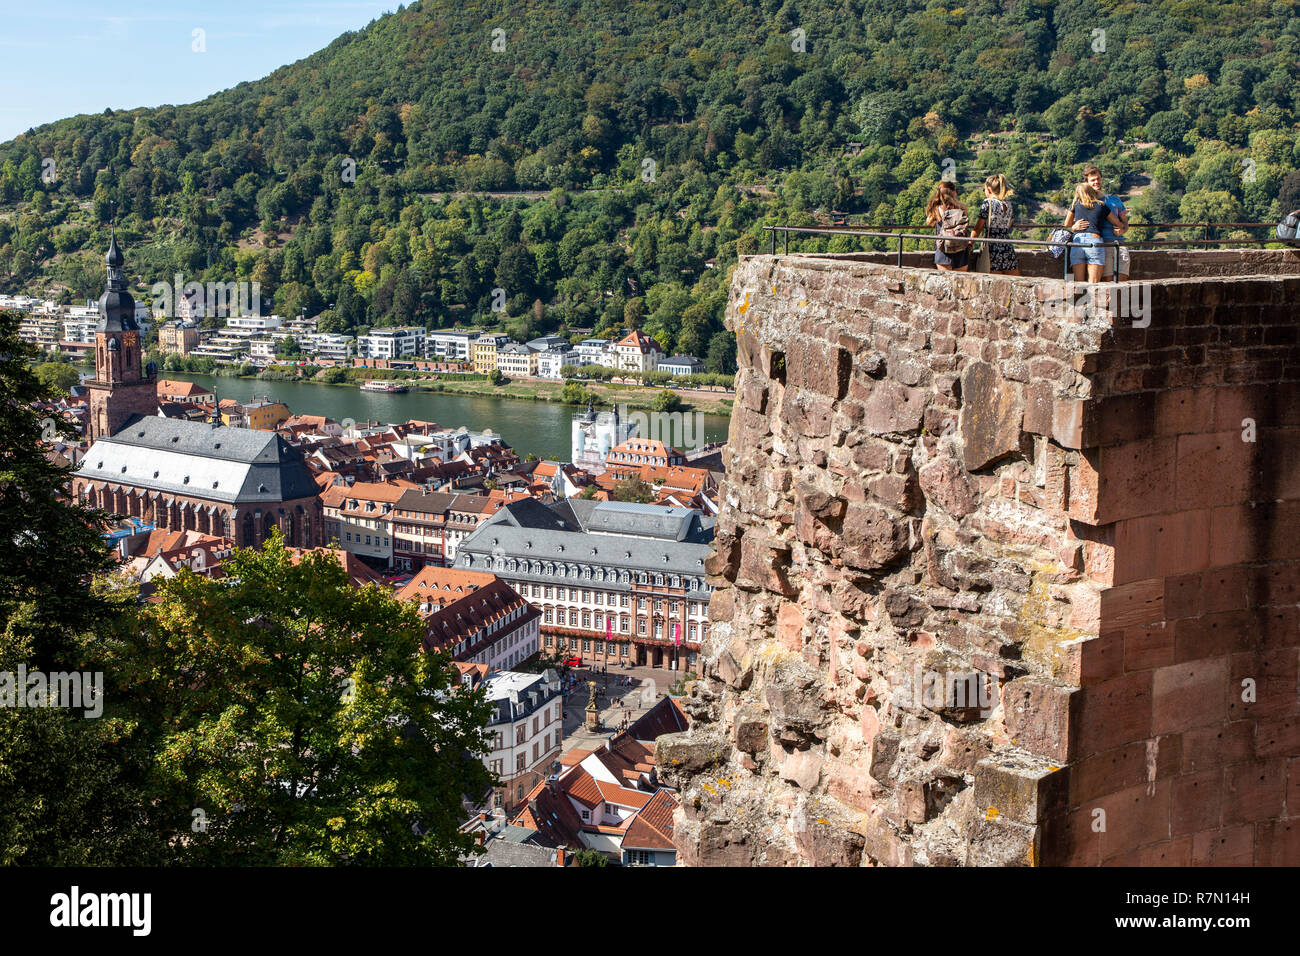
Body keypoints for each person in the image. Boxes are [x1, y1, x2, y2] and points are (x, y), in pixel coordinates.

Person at [1063, 182, 1124, 282]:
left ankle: (1080, 297)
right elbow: (1117, 223)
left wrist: (1074, 226)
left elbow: (1067, 224)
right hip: (1094, 241)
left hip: (1077, 242)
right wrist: (1122, 227)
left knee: (1079, 283)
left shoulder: (1075, 205)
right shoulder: (1101, 205)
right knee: (1094, 284)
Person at [1085, 165, 1130, 280]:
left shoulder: (1115, 199)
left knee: (1122, 279)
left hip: (1119, 242)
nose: (1096, 182)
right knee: (1108, 281)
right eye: (1093, 180)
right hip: (1101, 243)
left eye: (1098, 178)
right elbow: (1073, 220)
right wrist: (1074, 226)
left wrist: (1122, 230)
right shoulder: (1085, 201)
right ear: (1087, 182)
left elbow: (1125, 222)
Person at [970, 174, 1020, 275]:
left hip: (992, 248)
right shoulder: (1009, 204)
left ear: (989, 189)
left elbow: (978, 227)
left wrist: (969, 243)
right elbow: (1008, 224)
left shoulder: (988, 203)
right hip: (1007, 246)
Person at [925, 181, 971, 271]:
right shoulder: (962, 208)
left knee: (945, 283)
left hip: (944, 249)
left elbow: (929, 222)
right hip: (960, 248)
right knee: (961, 282)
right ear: (954, 192)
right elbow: (965, 224)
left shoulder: (936, 209)